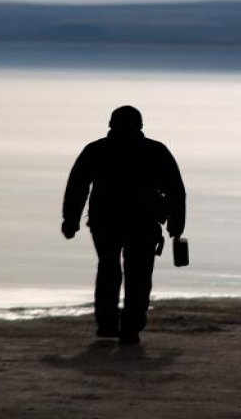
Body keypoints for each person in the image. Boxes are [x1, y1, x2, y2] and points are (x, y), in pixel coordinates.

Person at [62, 105, 186, 345]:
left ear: (111, 124)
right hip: (142, 221)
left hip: (106, 220)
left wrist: (71, 220)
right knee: (138, 274)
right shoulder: (155, 150)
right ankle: (130, 328)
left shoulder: (96, 150)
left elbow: (77, 187)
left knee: (109, 269)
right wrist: (177, 223)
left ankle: (108, 325)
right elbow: (175, 190)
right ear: (140, 125)